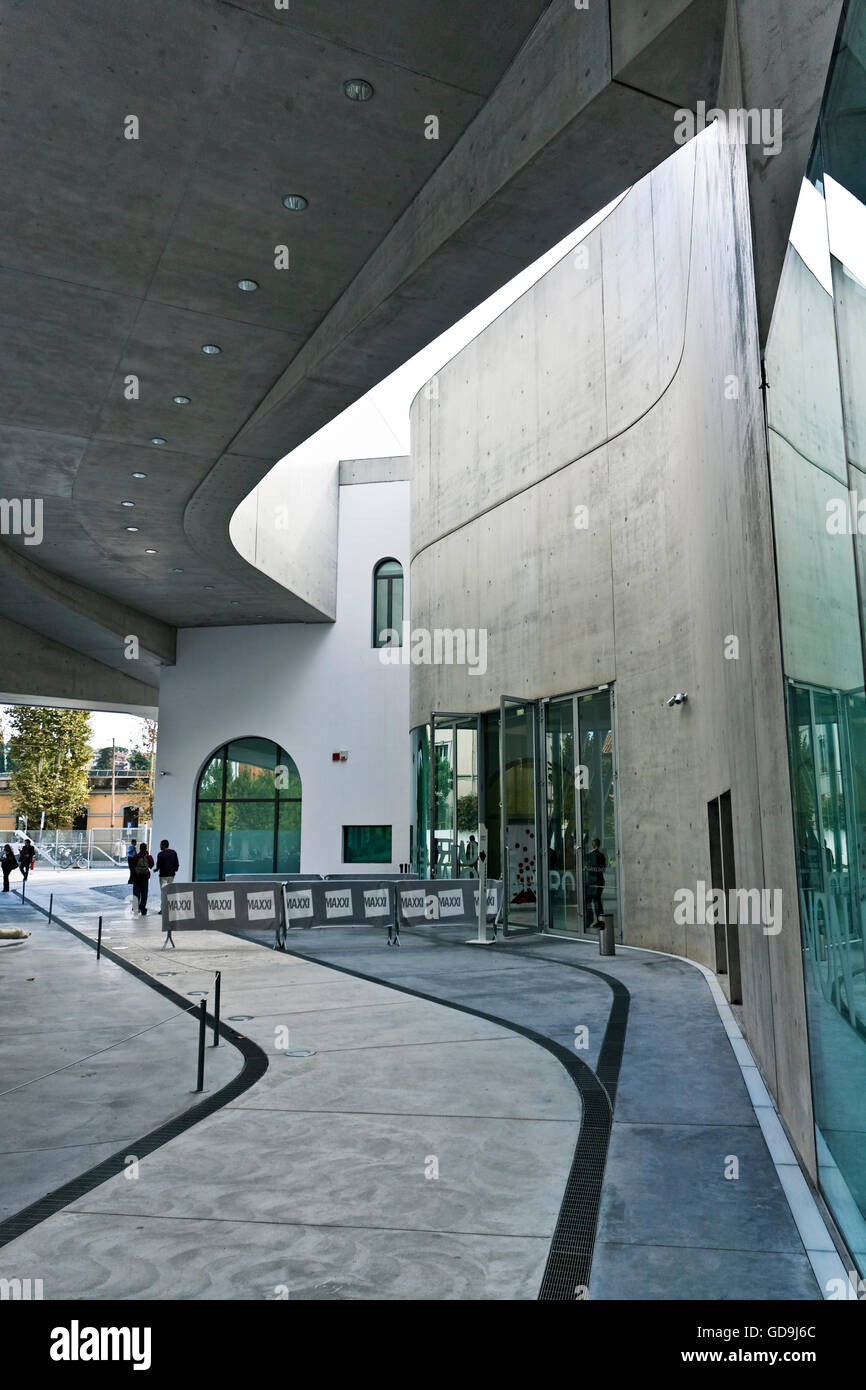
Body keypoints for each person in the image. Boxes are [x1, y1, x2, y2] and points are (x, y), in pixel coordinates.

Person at [585, 837, 607, 928]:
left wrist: (587, 868)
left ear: (592, 845)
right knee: (598, 901)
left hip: (592, 881)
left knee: (588, 901)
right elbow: (604, 869)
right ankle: (600, 921)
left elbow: (587, 867)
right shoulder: (602, 855)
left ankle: (589, 921)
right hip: (600, 880)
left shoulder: (589, 855)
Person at [154, 839, 180, 912]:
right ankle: (170, 908)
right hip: (171, 875)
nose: (160, 846)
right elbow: (176, 863)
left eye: (160, 845)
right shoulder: (173, 852)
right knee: (170, 891)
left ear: (163, 845)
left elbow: (158, 865)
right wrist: (174, 870)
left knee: (164, 892)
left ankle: (163, 909)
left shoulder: (160, 854)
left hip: (163, 876)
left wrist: (156, 869)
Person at [129, 841, 154, 916]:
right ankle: (143, 909)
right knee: (144, 894)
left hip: (137, 878)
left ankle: (136, 908)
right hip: (145, 878)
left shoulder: (136, 856)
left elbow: (132, 867)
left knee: (136, 894)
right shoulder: (148, 857)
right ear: (146, 848)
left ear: (140, 848)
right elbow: (151, 865)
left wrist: (133, 877)